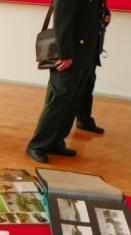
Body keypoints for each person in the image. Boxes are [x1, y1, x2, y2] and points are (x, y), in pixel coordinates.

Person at [26, 0, 107, 164]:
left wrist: (106, 14)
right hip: (71, 53)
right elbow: (62, 19)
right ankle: (37, 145)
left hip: (86, 52)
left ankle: (55, 141)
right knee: (59, 99)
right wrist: (65, 54)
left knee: (72, 100)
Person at [75, 6, 111, 134]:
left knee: (87, 87)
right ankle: (51, 134)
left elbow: (99, 17)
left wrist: (106, 18)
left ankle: (84, 121)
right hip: (77, 50)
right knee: (65, 93)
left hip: (91, 49)